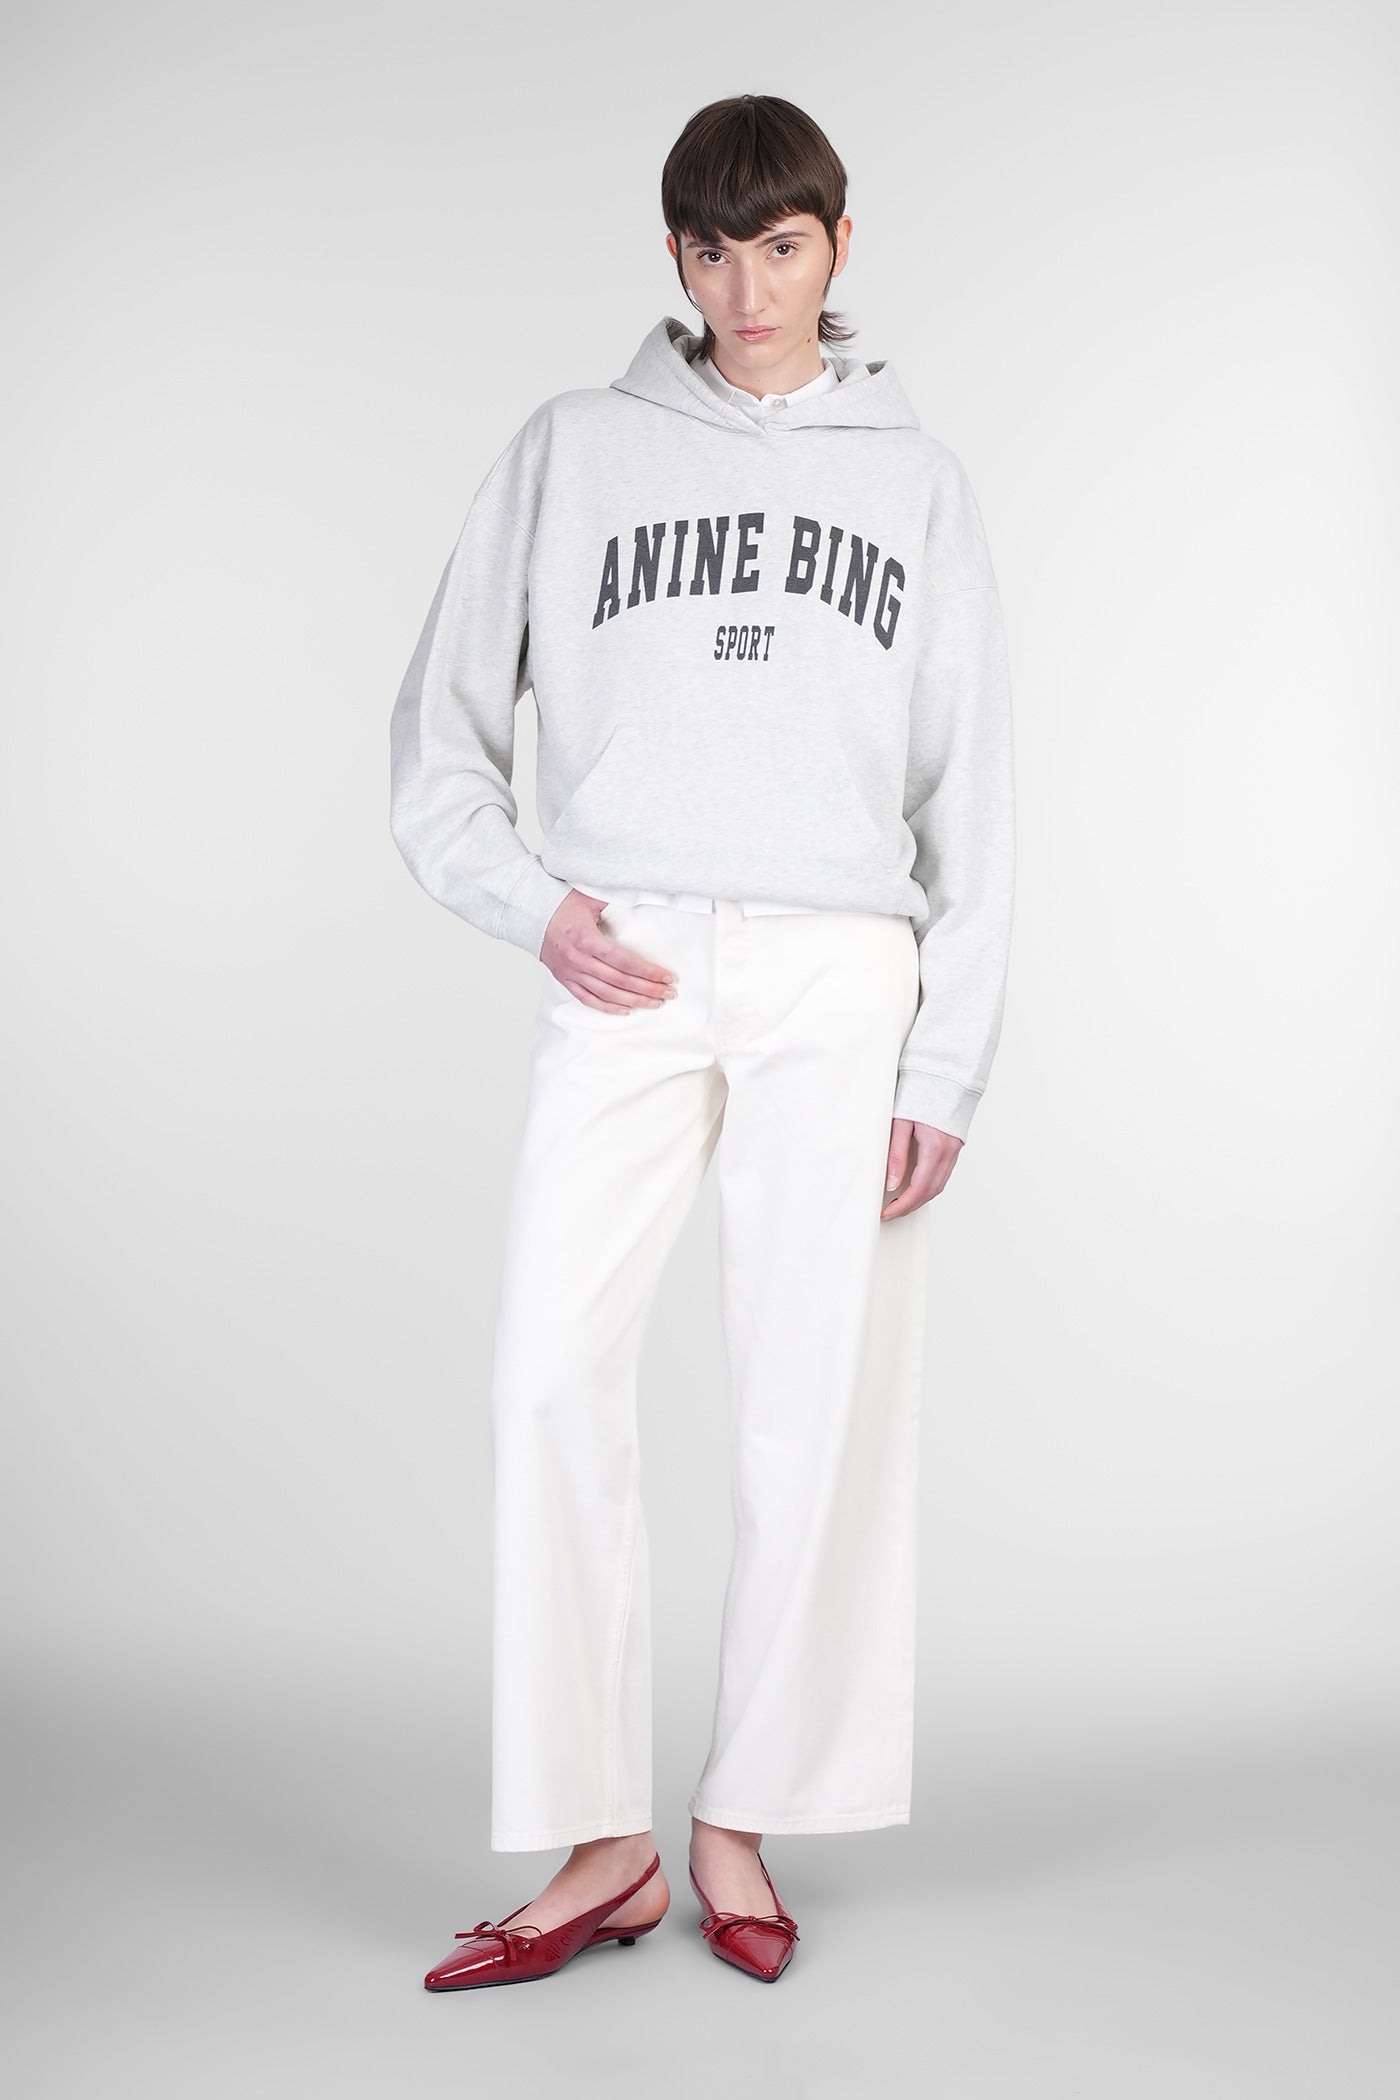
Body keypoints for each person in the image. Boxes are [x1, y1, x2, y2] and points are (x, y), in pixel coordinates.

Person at [388, 91, 1016, 1991]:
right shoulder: (572, 450)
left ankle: (742, 1816)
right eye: (716, 251)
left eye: (784, 247)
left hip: (841, 974)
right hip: (632, 966)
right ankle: (600, 1845)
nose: (752, 288)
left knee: (812, 1403)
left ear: (840, 247)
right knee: (547, 1374)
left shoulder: (919, 487)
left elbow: (975, 805)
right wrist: (538, 907)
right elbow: (438, 742)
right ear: (675, 258)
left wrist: (947, 1063)